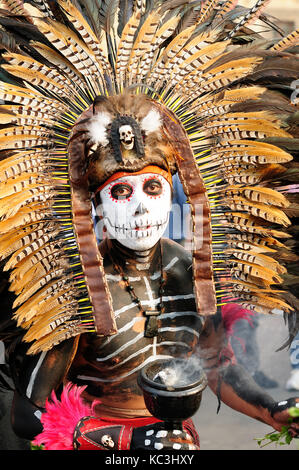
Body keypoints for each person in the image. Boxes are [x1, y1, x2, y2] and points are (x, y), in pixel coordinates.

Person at [0, 0, 298, 452]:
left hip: (176, 446)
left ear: (174, 191)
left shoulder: (192, 272)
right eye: (121, 193)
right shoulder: (72, 290)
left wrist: (271, 407)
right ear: (95, 203)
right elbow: (29, 414)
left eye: (154, 190)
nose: (140, 208)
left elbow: (215, 369)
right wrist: (124, 441)